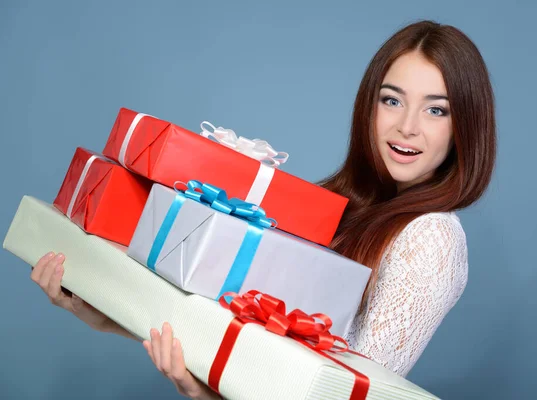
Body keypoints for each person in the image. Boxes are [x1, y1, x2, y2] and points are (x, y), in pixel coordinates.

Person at [30, 20, 496, 400]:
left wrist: (207, 394)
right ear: (368, 106)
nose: (407, 126)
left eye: (437, 110)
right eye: (391, 100)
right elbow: (233, 323)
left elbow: (343, 387)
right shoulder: (344, 205)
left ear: (465, 127)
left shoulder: (431, 234)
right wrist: (106, 313)